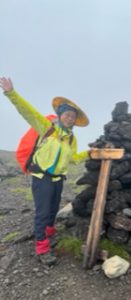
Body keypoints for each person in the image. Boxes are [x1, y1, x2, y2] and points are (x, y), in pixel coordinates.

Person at [0, 77, 90, 266]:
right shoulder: (47, 128)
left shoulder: (70, 140)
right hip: (41, 177)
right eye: (67, 114)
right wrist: (11, 93)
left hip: (58, 179)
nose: (70, 118)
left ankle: (49, 234)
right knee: (42, 212)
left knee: (54, 209)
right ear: (60, 114)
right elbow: (28, 112)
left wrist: (90, 153)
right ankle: (42, 249)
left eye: (73, 117)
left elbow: (73, 158)